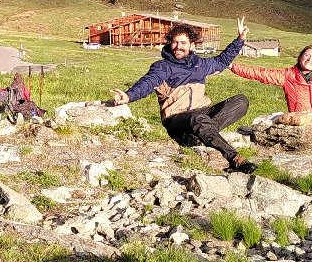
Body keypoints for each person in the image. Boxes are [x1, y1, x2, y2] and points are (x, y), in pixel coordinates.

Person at [109, 17, 258, 172]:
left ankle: (200, 136)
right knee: (198, 119)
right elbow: (148, 82)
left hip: (201, 112)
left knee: (241, 101)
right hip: (176, 119)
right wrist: (129, 95)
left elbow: (221, 61)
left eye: (183, 43)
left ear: (192, 45)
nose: (177, 47)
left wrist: (240, 39)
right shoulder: (163, 67)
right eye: (174, 42)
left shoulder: (200, 64)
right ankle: (235, 158)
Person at [229, 8, 312, 167]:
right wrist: (232, 66)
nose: (310, 60)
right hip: (302, 123)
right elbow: (261, 73)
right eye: (307, 56)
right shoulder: (288, 75)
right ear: (300, 57)